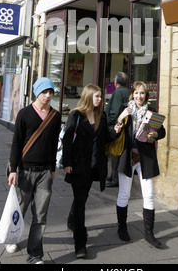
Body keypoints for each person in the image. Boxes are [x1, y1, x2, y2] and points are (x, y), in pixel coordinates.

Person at [62, 84, 122, 259]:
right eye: (97, 96)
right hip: (78, 166)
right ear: (88, 97)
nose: (100, 99)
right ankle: (80, 244)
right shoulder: (76, 115)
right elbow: (67, 139)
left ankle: (71, 219)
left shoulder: (100, 115)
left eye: (101, 97)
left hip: (94, 167)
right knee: (81, 203)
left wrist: (116, 131)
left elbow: (105, 139)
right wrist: (67, 162)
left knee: (82, 198)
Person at [7, 77, 61, 264]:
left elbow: (54, 145)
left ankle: (35, 255)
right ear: (36, 92)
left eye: (50, 92)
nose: (47, 96)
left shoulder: (55, 116)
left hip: (45, 173)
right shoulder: (24, 114)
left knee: (40, 214)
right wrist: (13, 169)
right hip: (24, 171)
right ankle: (12, 238)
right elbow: (16, 143)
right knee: (19, 209)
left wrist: (52, 168)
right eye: (44, 92)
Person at [116, 81, 166, 248]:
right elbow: (114, 128)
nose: (139, 96)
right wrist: (121, 117)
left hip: (145, 158)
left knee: (149, 194)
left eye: (142, 93)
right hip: (127, 156)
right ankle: (122, 228)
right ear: (132, 94)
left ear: (146, 95)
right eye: (136, 93)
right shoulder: (125, 108)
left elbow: (162, 131)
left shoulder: (151, 111)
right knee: (124, 193)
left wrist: (155, 133)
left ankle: (149, 233)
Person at [105, 72, 130, 187]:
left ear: (116, 82)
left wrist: (110, 124)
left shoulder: (118, 92)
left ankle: (115, 178)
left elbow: (114, 111)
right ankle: (113, 176)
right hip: (125, 127)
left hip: (117, 126)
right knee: (119, 152)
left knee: (114, 152)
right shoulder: (128, 92)